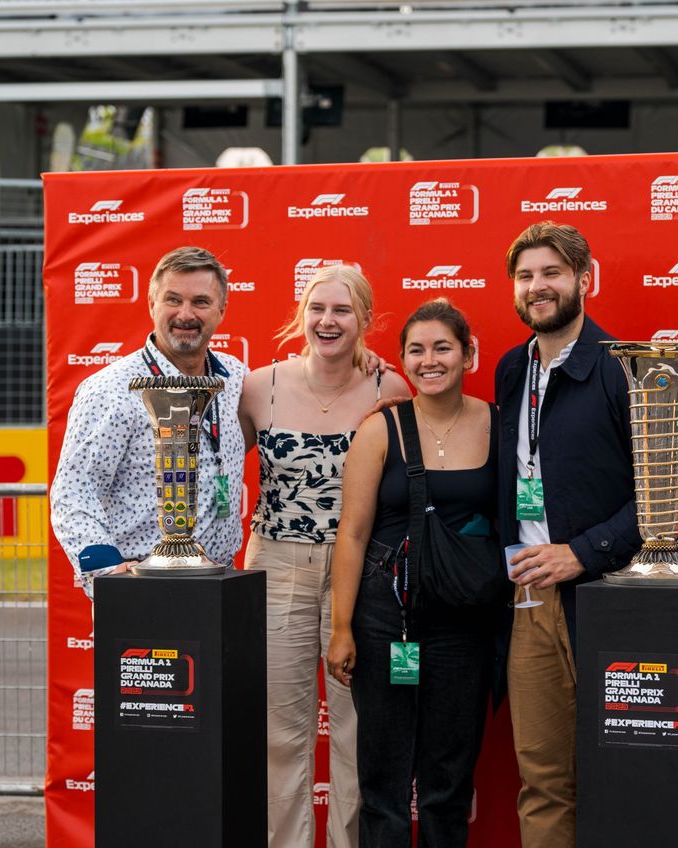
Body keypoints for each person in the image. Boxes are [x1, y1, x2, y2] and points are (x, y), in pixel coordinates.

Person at [238, 264, 410, 848]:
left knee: (356, 731)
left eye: (342, 310)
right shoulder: (261, 386)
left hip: (358, 573)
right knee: (281, 733)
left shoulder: (391, 389)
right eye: (317, 309)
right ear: (301, 316)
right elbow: (217, 469)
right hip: (275, 565)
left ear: (364, 319)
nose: (327, 321)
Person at [326, 298, 498, 847]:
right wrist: (342, 627)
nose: (430, 360)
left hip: (465, 625)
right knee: (384, 780)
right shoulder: (381, 430)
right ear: (402, 360)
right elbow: (351, 534)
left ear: (468, 353)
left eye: (443, 347)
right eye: (416, 350)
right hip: (386, 623)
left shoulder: (498, 423)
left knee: (449, 780)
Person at [495, 221, 642, 848]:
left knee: (622, 773)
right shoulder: (509, 369)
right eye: (526, 276)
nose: (538, 287)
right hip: (528, 604)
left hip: (606, 600)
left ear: (586, 279)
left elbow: (663, 495)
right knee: (543, 780)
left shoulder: (620, 368)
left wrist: (582, 553)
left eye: (552, 273)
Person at [50, 246, 246, 599]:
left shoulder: (235, 377)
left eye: (200, 302)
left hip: (219, 582)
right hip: (141, 583)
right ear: (152, 304)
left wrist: (359, 363)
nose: (185, 314)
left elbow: (301, 384)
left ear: (221, 310)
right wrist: (109, 575)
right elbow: (74, 492)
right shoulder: (110, 390)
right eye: (173, 300)